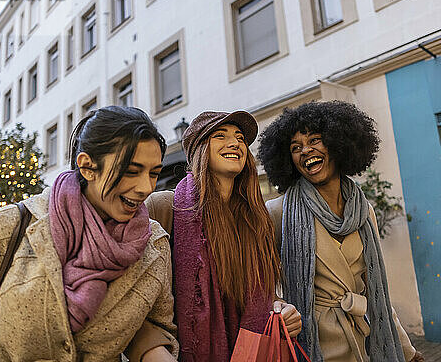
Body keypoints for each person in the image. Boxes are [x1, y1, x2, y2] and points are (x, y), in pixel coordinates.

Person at [0, 106, 178, 362]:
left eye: (153, 173)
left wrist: (155, 352)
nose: (146, 187)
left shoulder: (154, 244)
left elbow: (157, 328)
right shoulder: (8, 228)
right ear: (88, 166)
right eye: (131, 171)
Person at [258, 101, 423, 362]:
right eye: (295, 148)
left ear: (338, 143)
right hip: (312, 345)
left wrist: (406, 351)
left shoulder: (364, 210)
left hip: (365, 339)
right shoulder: (277, 212)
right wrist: (278, 305)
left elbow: (376, 291)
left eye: (315, 140)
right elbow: (259, 285)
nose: (306, 151)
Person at [145, 111, 302, 361]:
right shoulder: (165, 208)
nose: (235, 143)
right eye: (220, 136)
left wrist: (282, 308)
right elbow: (143, 299)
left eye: (240, 138)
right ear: (199, 150)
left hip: (250, 353)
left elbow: (264, 297)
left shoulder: (257, 221)